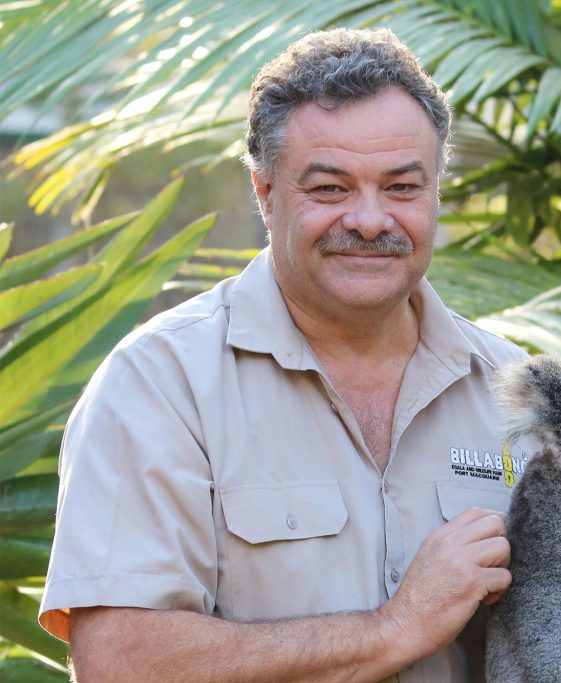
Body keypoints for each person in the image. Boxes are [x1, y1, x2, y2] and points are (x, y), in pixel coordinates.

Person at [39, 27, 531, 682]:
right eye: (330, 188)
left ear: (437, 191)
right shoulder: (160, 384)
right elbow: (121, 660)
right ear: (265, 193)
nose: (369, 218)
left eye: (402, 187)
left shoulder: (515, 389)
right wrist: (394, 628)